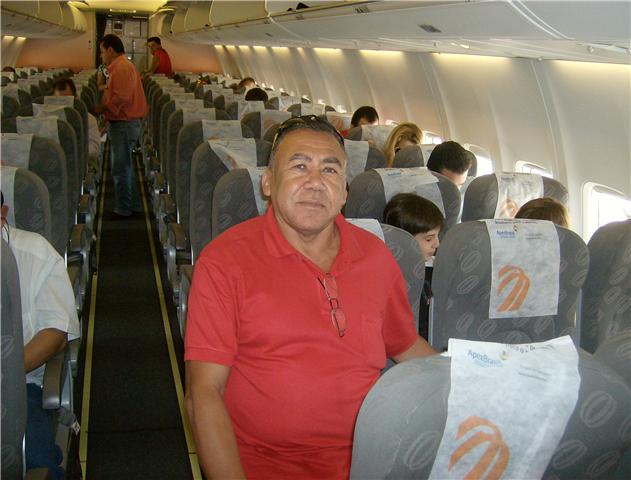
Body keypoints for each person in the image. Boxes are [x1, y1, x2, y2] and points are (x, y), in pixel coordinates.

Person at [184, 115, 436, 479]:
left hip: (374, 459)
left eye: (330, 170)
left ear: (344, 192)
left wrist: (475, 380)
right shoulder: (225, 262)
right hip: (265, 466)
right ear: (268, 182)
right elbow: (204, 393)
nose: (315, 182)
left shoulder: (376, 256)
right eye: (299, 166)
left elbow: (406, 345)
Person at [1, 193, 80, 479]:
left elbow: (55, 333)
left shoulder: (34, 253)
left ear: (3, 213)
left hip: (18, 387)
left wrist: (7, 373)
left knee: (37, 459)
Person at [95, 34, 147, 218]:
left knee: (121, 168)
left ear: (110, 50)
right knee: (125, 166)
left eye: (102, 51)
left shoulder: (122, 68)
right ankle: (134, 205)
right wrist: (107, 121)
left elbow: (122, 98)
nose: (101, 55)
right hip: (123, 122)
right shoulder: (120, 67)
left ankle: (124, 208)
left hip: (124, 124)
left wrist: (101, 109)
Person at [383, 192, 444, 340]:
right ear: (405, 240)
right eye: (429, 239)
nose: (437, 244)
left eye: (437, 236)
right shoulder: (386, 274)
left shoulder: (435, 272)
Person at [52, 77, 101, 157]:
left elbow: (95, 148)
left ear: (75, 98)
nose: (62, 105)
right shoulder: (46, 121)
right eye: (58, 101)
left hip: (78, 159)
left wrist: (72, 152)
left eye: (67, 100)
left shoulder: (87, 119)